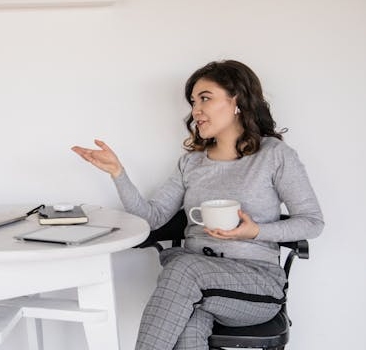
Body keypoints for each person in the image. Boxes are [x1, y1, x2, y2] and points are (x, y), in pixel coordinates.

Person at [72, 60, 324, 350]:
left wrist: (255, 232)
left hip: (255, 283)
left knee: (182, 269)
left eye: (205, 98)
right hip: (194, 288)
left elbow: (312, 221)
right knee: (188, 328)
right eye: (193, 102)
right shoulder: (191, 163)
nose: (195, 111)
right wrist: (118, 174)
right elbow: (152, 219)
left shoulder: (275, 155)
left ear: (237, 100)